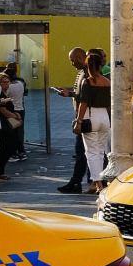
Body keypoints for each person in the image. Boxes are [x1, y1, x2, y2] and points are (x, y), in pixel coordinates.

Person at [54, 47, 90, 193]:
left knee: (83, 152)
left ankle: (78, 182)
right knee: (84, 152)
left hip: (85, 118)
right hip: (82, 117)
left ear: (81, 57)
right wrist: (70, 94)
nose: (72, 64)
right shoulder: (82, 73)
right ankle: (80, 181)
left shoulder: (88, 74)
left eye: (73, 60)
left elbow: (86, 99)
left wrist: (79, 120)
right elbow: (81, 95)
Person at [74, 51, 111, 194]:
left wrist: (78, 121)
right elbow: (109, 103)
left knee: (91, 152)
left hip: (91, 116)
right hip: (104, 117)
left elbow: (84, 103)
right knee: (101, 152)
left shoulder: (87, 81)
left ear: (88, 65)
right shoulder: (107, 82)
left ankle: (98, 183)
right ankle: (102, 180)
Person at [3, 64, 26, 161]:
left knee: (11, 133)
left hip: (12, 111)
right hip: (21, 109)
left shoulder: (9, 87)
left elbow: (4, 98)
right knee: (19, 132)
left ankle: (13, 153)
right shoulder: (20, 83)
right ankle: (21, 151)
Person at [0, 73, 18, 181]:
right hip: (3, 124)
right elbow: (2, 110)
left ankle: (1, 171)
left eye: (8, 82)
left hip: (5, 124)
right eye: (4, 82)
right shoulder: (0, 93)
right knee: (9, 146)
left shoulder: (3, 93)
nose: (6, 84)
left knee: (8, 146)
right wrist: (15, 116)